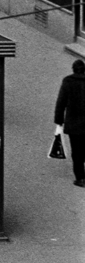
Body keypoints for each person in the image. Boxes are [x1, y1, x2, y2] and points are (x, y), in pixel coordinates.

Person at [54, 59, 85, 187]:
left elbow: (61, 102)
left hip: (74, 123)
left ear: (73, 69)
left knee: (77, 151)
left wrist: (58, 120)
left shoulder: (68, 81)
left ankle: (80, 178)